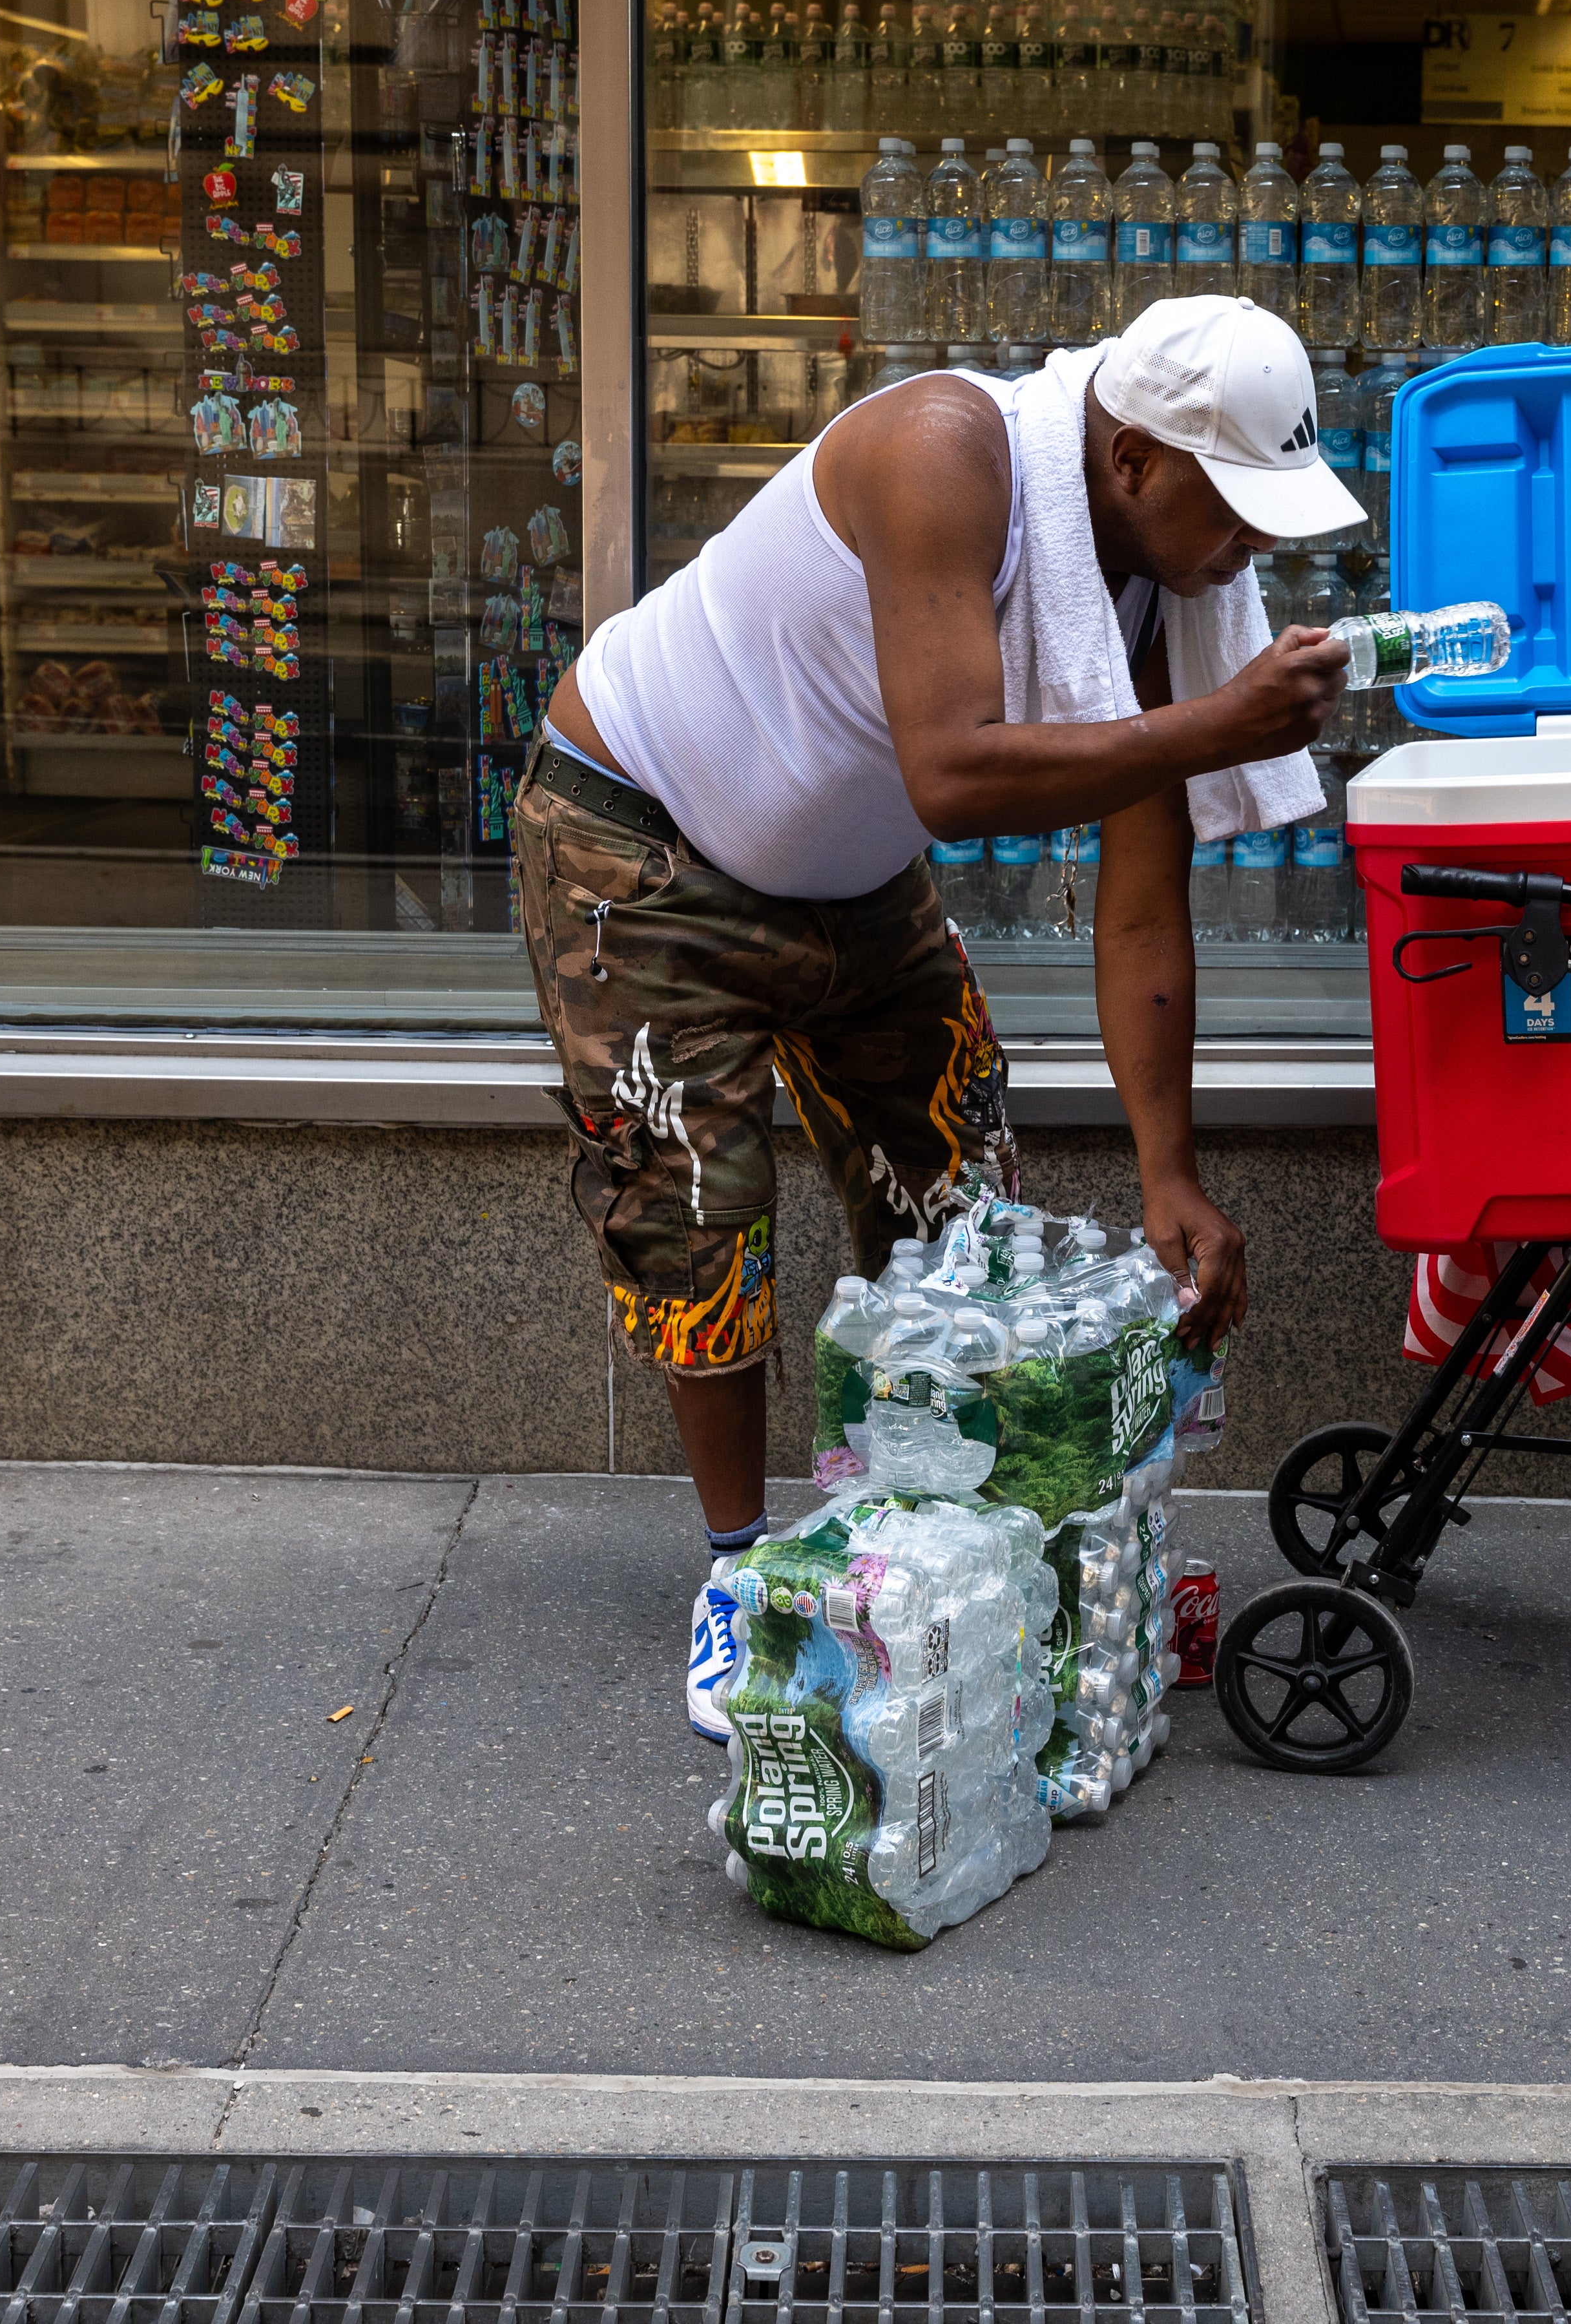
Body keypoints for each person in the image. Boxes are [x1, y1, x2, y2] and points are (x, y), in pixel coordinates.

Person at [522, 293, 1362, 1736]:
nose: (1260, 550)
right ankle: (740, 1577)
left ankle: (934, 1541)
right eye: (1238, 507)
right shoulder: (942, 450)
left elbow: (1146, 900)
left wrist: (1171, 1169)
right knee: (697, 1215)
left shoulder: (1169, 585)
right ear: (1138, 462)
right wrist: (1218, 726)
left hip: (844, 876)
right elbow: (957, 775)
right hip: (639, 847)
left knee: (961, 1206)